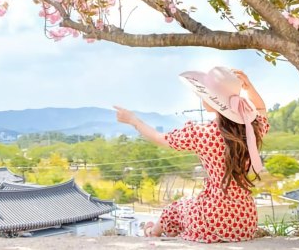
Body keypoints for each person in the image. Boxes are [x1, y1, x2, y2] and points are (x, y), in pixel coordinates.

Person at [114, 67, 269, 243]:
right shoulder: (252, 129)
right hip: (245, 222)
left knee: (176, 208)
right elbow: (261, 109)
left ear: (213, 100)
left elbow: (158, 137)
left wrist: (133, 120)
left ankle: (151, 232)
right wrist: (249, 88)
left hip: (212, 218)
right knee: (186, 206)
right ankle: (164, 231)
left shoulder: (201, 133)